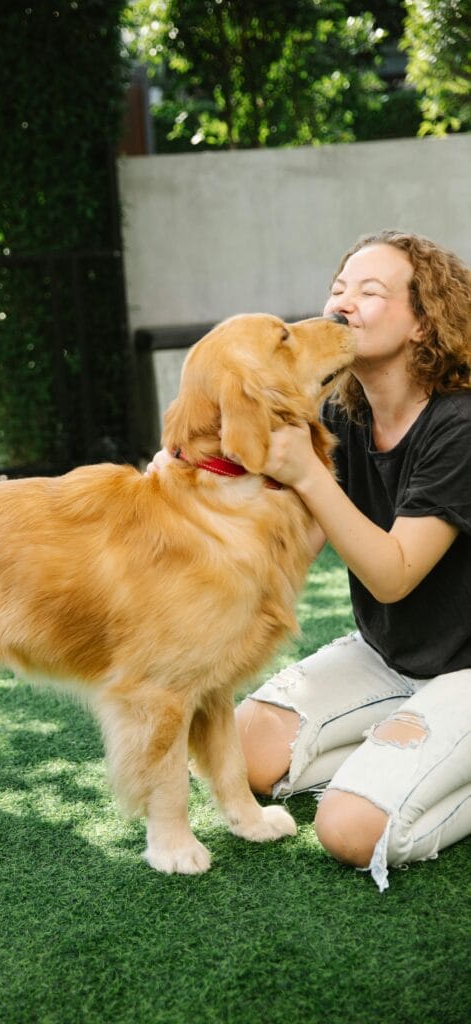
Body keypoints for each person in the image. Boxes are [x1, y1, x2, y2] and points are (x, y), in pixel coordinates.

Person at [232, 229, 471, 891]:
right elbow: (289, 551)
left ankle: (401, 771)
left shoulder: (459, 425)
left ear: (424, 324)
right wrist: (204, 477)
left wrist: (308, 475)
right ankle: (408, 752)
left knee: (347, 829)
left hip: (467, 669)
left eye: (369, 292)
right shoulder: (344, 412)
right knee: (235, 755)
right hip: (388, 654)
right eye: (338, 289)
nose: (342, 304)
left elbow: (393, 574)